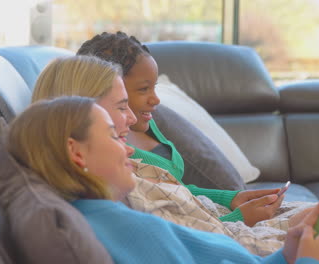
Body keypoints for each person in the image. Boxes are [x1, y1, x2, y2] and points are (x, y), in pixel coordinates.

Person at [7, 95, 319, 264]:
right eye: (114, 136)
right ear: (77, 153)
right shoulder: (124, 232)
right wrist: (313, 260)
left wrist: (291, 251)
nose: (129, 150)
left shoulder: (114, 218)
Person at [76, 31, 281, 226]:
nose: (156, 99)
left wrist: (231, 198)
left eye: (154, 87)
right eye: (143, 89)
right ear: (109, 89)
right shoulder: (114, 158)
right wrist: (238, 218)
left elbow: (176, 190)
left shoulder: (147, 124)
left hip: (206, 217)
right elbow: (165, 226)